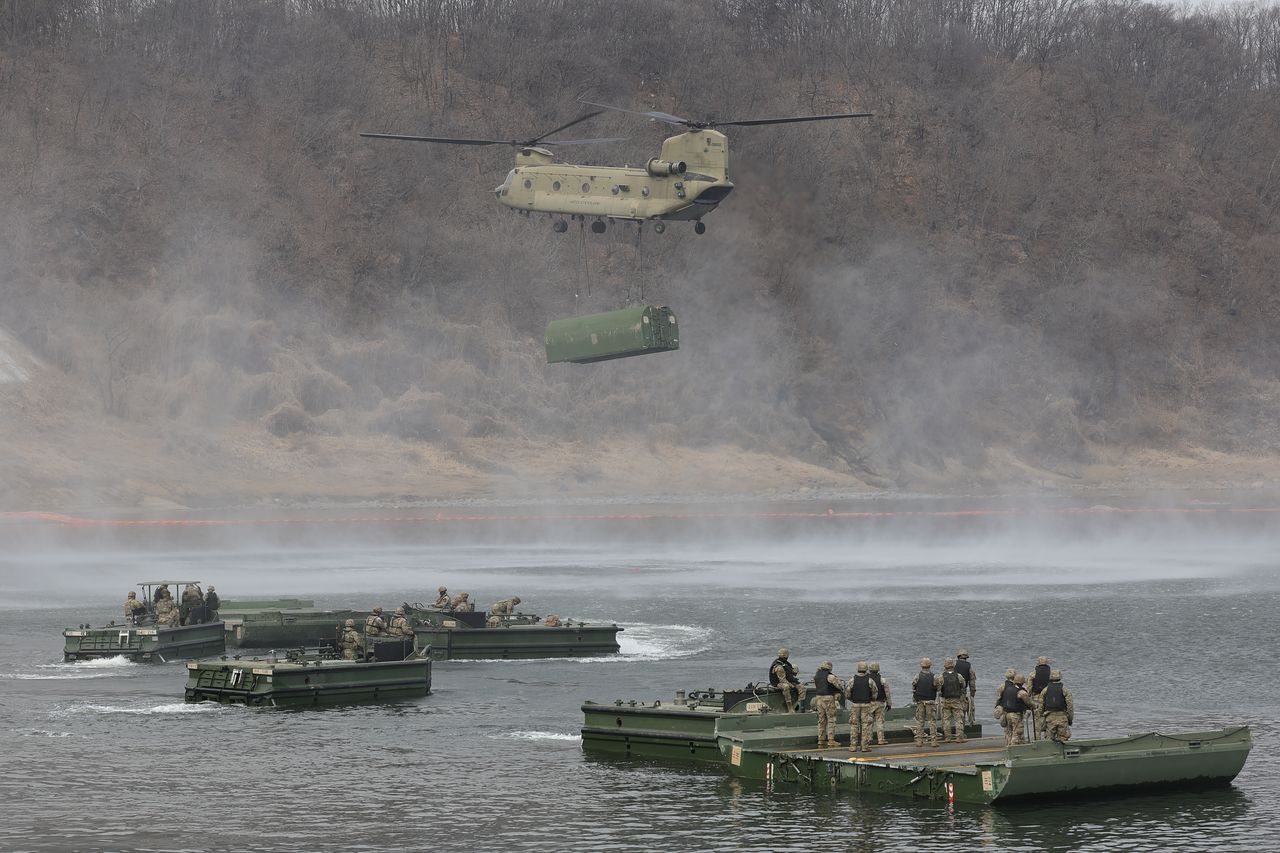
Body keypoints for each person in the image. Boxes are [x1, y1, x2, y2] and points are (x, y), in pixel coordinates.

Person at [845, 661, 879, 752]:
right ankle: (864, 746)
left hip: (855, 705)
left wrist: (852, 699)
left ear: (858, 669)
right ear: (866, 669)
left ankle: (853, 746)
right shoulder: (870, 680)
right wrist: (871, 699)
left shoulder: (852, 680)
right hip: (866, 705)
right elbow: (875, 693)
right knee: (866, 725)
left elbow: (847, 693)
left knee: (854, 725)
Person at [911, 657, 942, 747]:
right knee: (932, 721)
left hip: (920, 702)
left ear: (921, 666)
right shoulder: (934, 677)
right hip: (930, 702)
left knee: (920, 721)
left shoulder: (917, 676)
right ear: (930, 665)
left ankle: (919, 741)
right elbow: (938, 688)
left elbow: (913, 687)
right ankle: (933, 741)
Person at [812, 660, 844, 748]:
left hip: (818, 698)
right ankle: (831, 740)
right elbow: (839, 686)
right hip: (828, 698)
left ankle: (821, 739)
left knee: (821, 719)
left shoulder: (816, 676)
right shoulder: (830, 676)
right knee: (831, 719)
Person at [939, 658, 969, 743]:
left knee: (946, 719)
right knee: (958, 719)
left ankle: (947, 737)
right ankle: (959, 737)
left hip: (946, 701)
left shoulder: (941, 676)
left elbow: (938, 688)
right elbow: (963, 686)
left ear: (945, 665)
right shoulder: (959, 676)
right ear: (953, 665)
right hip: (956, 700)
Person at [998, 673, 1034, 745]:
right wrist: (1035, 706)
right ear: (1023, 682)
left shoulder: (1007, 689)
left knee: (1010, 731)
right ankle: (1014, 749)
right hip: (1016, 715)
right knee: (1017, 732)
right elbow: (1029, 703)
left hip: (1007, 714)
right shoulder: (1022, 692)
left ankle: (1009, 745)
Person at [769, 648, 807, 713]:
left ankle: (799, 706)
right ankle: (790, 707)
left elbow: (789, 674)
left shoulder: (785, 663)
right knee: (786, 687)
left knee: (802, 688)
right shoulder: (779, 666)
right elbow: (782, 680)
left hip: (787, 680)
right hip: (778, 683)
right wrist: (792, 685)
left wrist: (796, 683)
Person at [1041, 670, 1074, 742]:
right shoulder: (1065, 690)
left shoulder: (1045, 690)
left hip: (1049, 717)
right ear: (1060, 677)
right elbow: (1070, 706)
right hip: (1062, 717)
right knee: (1064, 738)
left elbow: (1040, 705)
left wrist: (1041, 717)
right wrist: (1070, 719)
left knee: (1048, 740)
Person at [868, 662, 891, 746]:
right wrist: (889, 704)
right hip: (880, 703)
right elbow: (887, 693)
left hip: (869, 703)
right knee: (880, 722)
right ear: (878, 669)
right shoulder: (883, 679)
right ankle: (881, 739)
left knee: (869, 722)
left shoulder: (867, 679)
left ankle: (868, 739)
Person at [1030, 656, 1052, 739]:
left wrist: (1029, 701)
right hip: (1048, 699)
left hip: (1036, 699)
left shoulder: (1033, 674)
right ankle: (1048, 739)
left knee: (1037, 720)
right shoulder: (1051, 674)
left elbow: (1029, 688)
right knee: (1048, 719)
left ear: (1038, 663)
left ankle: (1037, 739)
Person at [954, 649, 977, 724]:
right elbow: (972, 683)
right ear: (966, 657)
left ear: (958, 656)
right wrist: (972, 695)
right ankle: (961, 729)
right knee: (961, 711)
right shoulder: (969, 667)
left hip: (950, 691)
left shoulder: (953, 664)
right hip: (962, 691)